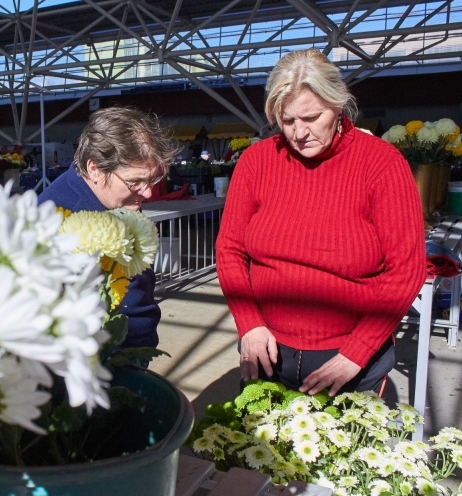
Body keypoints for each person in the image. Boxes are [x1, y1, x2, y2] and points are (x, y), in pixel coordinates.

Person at [215, 49, 425, 397]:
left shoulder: (382, 164)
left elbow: (406, 269)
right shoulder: (256, 161)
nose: (299, 133)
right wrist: (248, 324)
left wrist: (357, 352)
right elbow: (229, 249)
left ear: (339, 105)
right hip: (266, 351)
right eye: (287, 121)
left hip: (348, 361)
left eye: (312, 118)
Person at [38, 106, 180, 348]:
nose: (147, 192)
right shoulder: (56, 222)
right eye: (135, 182)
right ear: (94, 168)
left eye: (152, 180)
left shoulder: (114, 200)